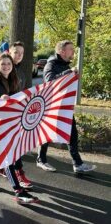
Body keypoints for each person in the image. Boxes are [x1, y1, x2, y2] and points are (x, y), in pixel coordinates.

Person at [0, 53, 39, 204]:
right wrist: (3, 99)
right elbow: (1, 96)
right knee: (8, 157)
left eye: (8, 64)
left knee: (5, 154)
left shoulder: (13, 79)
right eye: (3, 64)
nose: (6, 67)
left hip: (11, 123)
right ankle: (18, 191)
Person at [36, 40, 97, 173]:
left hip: (64, 106)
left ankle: (78, 164)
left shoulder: (63, 64)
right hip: (51, 106)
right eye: (71, 49)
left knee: (72, 134)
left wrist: (72, 76)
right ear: (62, 51)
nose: (73, 52)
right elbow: (50, 81)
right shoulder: (51, 64)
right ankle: (41, 160)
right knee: (47, 133)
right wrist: (68, 73)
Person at [0, 42, 33, 189]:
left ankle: (7, 170)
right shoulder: (1, 72)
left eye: (21, 53)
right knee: (11, 147)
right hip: (2, 117)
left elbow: (23, 91)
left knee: (11, 146)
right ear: (9, 52)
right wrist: (5, 97)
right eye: (16, 52)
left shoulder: (19, 72)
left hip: (16, 115)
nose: (19, 55)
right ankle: (18, 177)